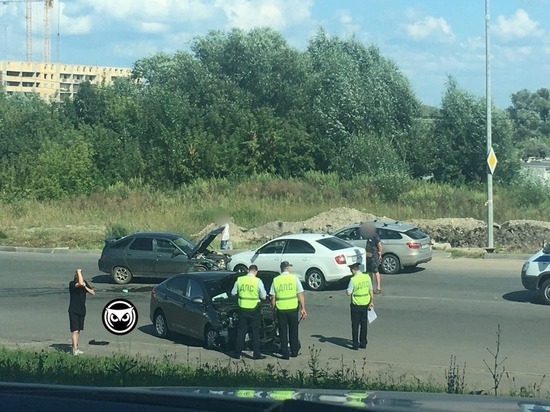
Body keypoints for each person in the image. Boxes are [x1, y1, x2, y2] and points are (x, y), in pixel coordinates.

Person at [270, 261, 307, 360]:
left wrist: (273, 309)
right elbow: (300, 294)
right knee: (293, 330)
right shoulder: (294, 278)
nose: (291, 268)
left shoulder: (276, 280)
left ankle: (285, 353)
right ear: (287, 268)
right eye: (290, 266)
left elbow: (272, 297)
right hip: (293, 308)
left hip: (281, 309)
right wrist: (303, 308)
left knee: (282, 332)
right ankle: (294, 351)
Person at [231, 264, 267, 360]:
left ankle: (237, 353)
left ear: (248, 270)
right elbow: (263, 296)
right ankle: (256, 353)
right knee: (255, 331)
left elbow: (233, 293)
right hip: (254, 309)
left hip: (242, 308)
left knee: (241, 331)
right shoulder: (258, 281)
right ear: (256, 272)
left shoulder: (240, 280)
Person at [346, 262, 374, 350]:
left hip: (356, 304)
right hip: (365, 303)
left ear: (353, 270)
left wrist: (347, 291)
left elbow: (349, 292)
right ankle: (363, 343)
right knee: (364, 324)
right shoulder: (367, 277)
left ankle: (355, 345)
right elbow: (371, 290)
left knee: (355, 325)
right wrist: (371, 302)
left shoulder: (353, 280)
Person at [68, 268, 95, 355]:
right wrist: (79, 272)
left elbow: (93, 292)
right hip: (73, 310)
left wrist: (85, 286)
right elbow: (79, 283)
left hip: (82, 310)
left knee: (78, 330)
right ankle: (74, 350)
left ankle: (75, 347)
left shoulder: (84, 284)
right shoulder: (72, 284)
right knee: (74, 330)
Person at [361, 222, 382, 294]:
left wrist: (379, 253)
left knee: (375, 271)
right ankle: (371, 287)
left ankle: (378, 287)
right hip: (368, 256)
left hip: (374, 255)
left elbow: (379, 245)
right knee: (370, 271)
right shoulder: (367, 235)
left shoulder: (374, 235)